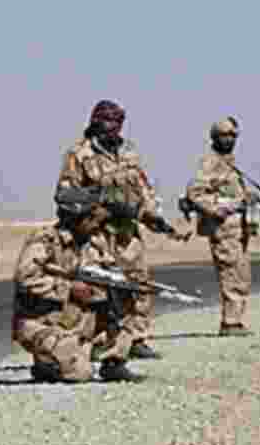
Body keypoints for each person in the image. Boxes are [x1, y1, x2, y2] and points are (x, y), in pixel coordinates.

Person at [56, 99, 188, 361]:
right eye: (107, 121)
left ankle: (135, 338)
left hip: (128, 232)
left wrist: (152, 214)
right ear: (95, 122)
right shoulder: (79, 154)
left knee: (137, 284)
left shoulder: (129, 152)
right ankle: (97, 340)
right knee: (98, 287)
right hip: (97, 231)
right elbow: (66, 195)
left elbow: (143, 187)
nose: (113, 127)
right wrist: (101, 202)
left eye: (118, 122)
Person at [11, 186, 144, 383]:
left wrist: (119, 283)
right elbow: (26, 278)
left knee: (123, 297)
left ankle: (114, 361)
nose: (97, 221)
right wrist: (69, 288)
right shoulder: (45, 240)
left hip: (75, 319)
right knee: (81, 374)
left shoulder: (93, 242)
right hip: (40, 321)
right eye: (91, 217)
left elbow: (109, 269)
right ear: (77, 219)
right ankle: (47, 363)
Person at [185, 116, 256, 336]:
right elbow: (195, 194)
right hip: (224, 228)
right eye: (225, 135)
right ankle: (230, 322)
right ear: (215, 137)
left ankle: (235, 320)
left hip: (237, 228)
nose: (230, 139)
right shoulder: (210, 162)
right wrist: (223, 208)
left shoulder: (228, 162)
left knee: (241, 274)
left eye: (233, 135)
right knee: (231, 274)